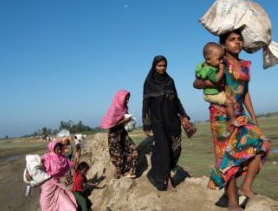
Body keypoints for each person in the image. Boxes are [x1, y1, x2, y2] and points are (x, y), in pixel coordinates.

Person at [193, 30, 271, 211]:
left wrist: (254, 117)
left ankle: (246, 186)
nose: (237, 42)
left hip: (240, 115)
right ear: (223, 44)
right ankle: (233, 204)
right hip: (221, 117)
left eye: (239, 39)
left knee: (263, 145)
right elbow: (196, 83)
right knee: (228, 160)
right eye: (232, 40)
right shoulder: (219, 62)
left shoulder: (245, 65)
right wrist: (209, 83)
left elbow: (245, 93)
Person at [142, 55, 192, 191]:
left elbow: (176, 100)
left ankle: (154, 174)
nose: (162, 68)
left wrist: (184, 115)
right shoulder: (148, 83)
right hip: (158, 122)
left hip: (173, 121)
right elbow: (145, 105)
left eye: (164, 65)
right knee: (164, 151)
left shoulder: (170, 81)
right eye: (159, 65)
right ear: (154, 66)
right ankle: (168, 180)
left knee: (175, 150)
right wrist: (146, 124)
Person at [195, 42, 239, 127]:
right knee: (229, 102)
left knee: (231, 100)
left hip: (210, 93)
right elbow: (216, 79)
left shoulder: (202, 66)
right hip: (213, 94)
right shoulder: (209, 70)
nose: (221, 61)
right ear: (208, 59)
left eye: (222, 57)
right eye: (219, 59)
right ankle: (233, 120)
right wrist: (222, 69)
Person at [101, 89, 138, 179]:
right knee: (118, 157)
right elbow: (112, 125)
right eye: (126, 99)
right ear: (120, 98)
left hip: (123, 133)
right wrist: (124, 120)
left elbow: (125, 120)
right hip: (114, 136)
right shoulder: (114, 109)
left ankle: (130, 171)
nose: (127, 101)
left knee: (134, 150)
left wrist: (130, 121)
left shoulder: (124, 108)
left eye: (128, 99)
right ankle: (119, 174)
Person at [40, 139, 78, 211]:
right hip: (46, 185)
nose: (59, 151)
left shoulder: (64, 159)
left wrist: (77, 156)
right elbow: (35, 164)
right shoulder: (46, 157)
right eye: (57, 150)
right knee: (46, 205)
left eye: (60, 149)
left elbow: (73, 166)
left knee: (65, 202)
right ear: (52, 149)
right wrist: (28, 173)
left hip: (57, 184)